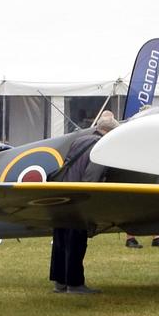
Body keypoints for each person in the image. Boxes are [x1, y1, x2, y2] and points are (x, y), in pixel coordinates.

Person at [49, 110, 116, 294]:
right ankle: (75, 284)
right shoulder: (102, 146)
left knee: (61, 239)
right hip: (78, 199)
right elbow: (91, 178)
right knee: (76, 241)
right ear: (109, 133)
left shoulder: (80, 140)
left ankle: (60, 282)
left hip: (61, 194)